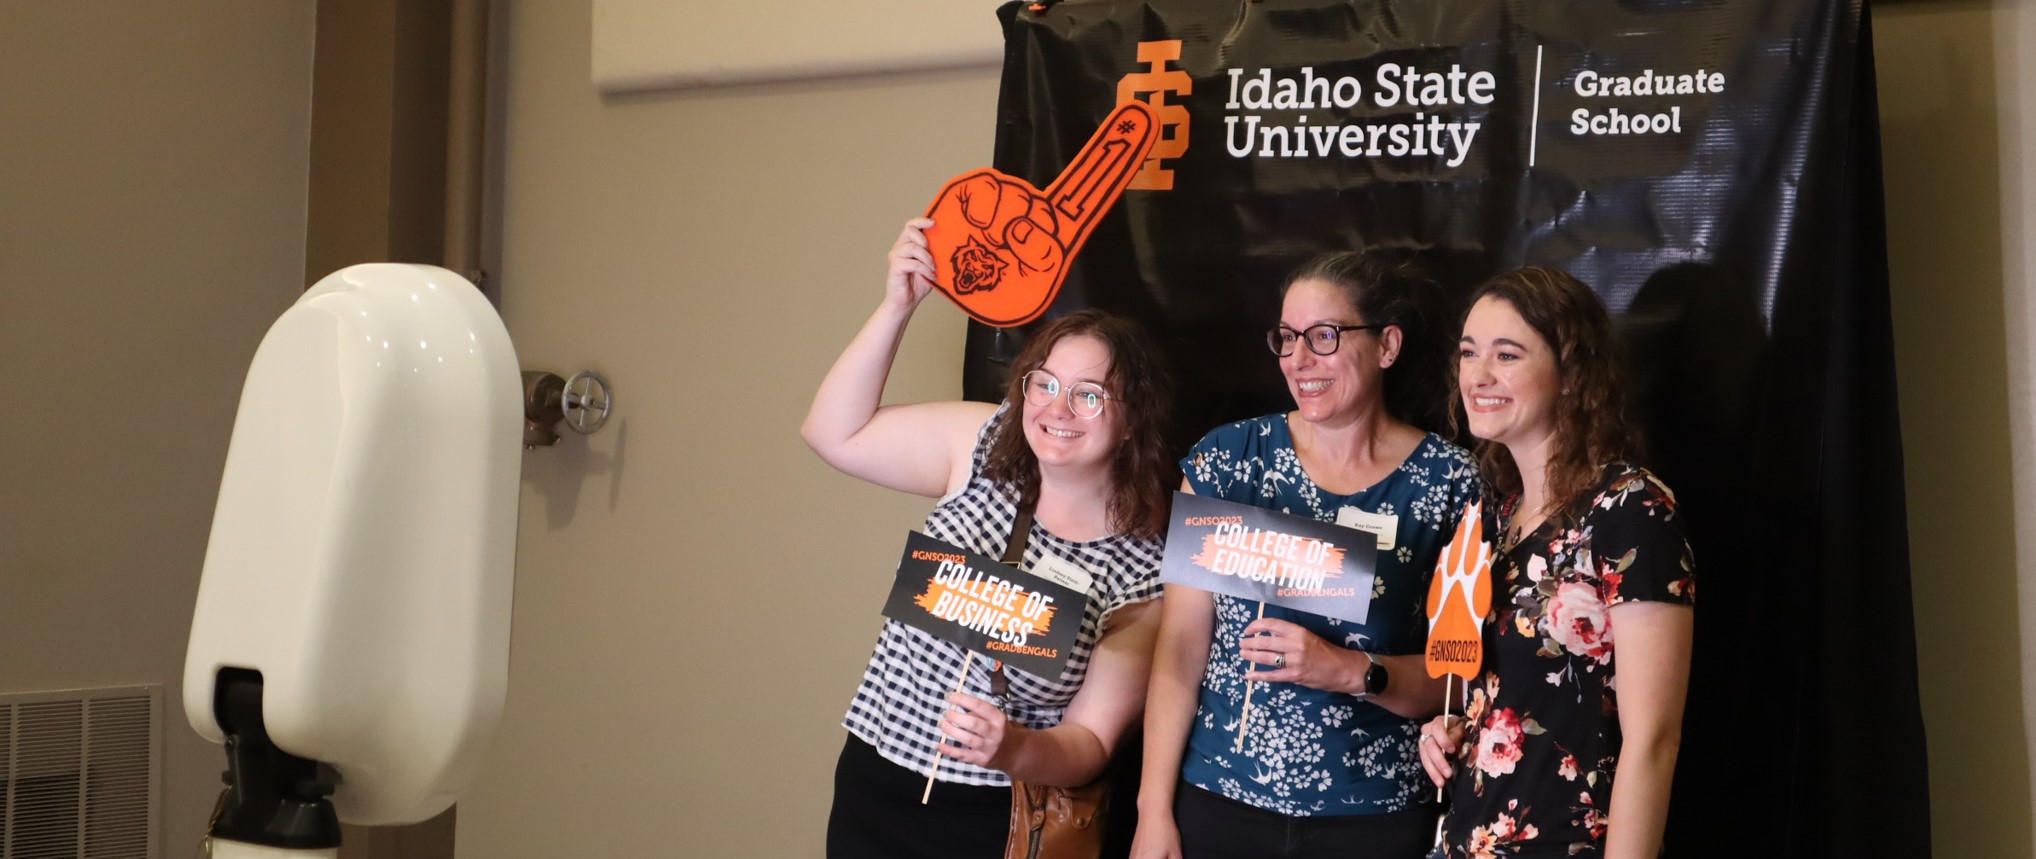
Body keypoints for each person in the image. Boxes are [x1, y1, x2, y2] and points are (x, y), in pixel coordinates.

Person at [805, 217, 1177, 859]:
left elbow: (1090, 743)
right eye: (1046, 384)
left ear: (1132, 419)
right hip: (875, 777)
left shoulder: (1143, 564)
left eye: (1090, 396)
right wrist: (899, 305)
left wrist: (1012, 749)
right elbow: (831, 433)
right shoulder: (984, 444)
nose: (1057, 410)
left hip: (995, 816)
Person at [1134, 252, 1480, 859]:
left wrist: (1349, 670)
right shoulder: (1226, 461)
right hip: (1219, 800)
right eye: (1288, 338)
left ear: (1387, 346)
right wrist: (1153, 810)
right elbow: (1181, 645)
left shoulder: (1450, 482)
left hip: (1376, 814)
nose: (1298, 359)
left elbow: (1457, 676)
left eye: (1324, 336)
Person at [1417, 267, 1696, 859]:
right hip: (1468, 841)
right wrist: (1459, 730)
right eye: (1469, 354)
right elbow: (1522, 691)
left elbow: (1654, 740)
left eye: (1507, 355)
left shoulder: (1630, 509)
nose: (1479, 376)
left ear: (1571, 375)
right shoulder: (1497, 515)